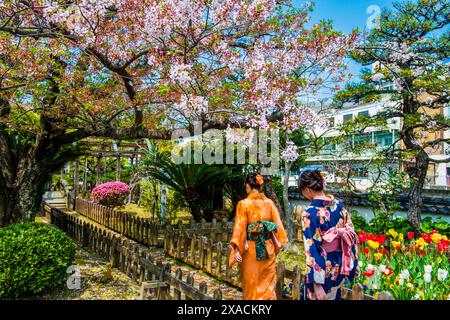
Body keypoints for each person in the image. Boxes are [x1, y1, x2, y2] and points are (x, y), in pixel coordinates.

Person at [298, 170, 358, 300]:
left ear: (307, 189)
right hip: (340, 266)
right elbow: (352, 235)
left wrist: (317, 284)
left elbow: (312, 250)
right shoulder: (339, 207)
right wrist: (354, 263)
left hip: (324, 270)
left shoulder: (310, 213)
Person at [229, 173, 288, 300]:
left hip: (251, 250)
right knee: (267, 285)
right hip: (268, 248)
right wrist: (277, 245)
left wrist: (237, 249)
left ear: (248, 186)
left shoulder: (243, 204)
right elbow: (278, 227)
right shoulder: (270, 203)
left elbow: (239, 228)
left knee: (252, 285)